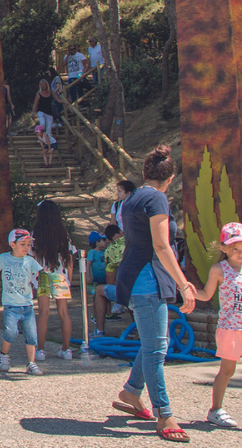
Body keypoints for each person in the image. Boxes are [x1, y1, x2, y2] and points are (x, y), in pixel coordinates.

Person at [110, 145, 196, 442]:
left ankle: (131, 392)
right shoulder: (157, 198)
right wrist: (184, 284)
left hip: (135, 277)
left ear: (145, 172)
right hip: (147, 280)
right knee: (158, 348)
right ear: (170, 179)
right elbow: (161, 246)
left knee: (153, 345)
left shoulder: (132, 198)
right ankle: (165, 415)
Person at [0, 228, 45, 375]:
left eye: (28, 244)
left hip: (27, 305)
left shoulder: (30, 260)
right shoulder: (4, 258)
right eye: (23, 244)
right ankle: (4, 353)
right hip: (11, 305)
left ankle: (31, 363)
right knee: (11, 331)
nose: (26, 248)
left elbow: (42, 275)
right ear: (12, 244)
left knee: (32, 335)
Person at [196, 222, 242, 428]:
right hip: (229, 329)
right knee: (227, 370)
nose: (239, 252)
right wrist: (187, 291)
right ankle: (215, 410)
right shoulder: (218, 269)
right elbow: (206, 294)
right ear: (223, 248)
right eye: (234, 248)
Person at [32, 200, 75, 360]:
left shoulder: (35, 234)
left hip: (42, 275)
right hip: (60, 276)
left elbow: (32, 257)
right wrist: (69, 279)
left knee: (43, 312)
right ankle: (66, 349)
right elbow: (69, 259)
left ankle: (41, 350)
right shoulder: (64, 235)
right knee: (64, 312)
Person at [87, 230, 110, 337]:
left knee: (106, 297)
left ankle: (108, 313)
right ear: (97, 242)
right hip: (96, 279)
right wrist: (88, 275)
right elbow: (88, 264)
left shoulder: (106, 252)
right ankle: (95, 315)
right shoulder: (92, 253)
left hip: (105, 278)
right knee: (96, 297)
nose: (106, 242)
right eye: (103, 240)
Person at [31, 79, 58, 160]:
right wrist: (33, 112)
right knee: (42, 124)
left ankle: (48, 142)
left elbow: (57, 99)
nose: (43, 86)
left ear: (47, 85)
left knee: (49, 128)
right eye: (42, 85)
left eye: (44, 85)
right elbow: (35, 104)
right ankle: (40, 138)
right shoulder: (38, 94)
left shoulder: (50, 92)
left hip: (49, 113)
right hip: (41, 111)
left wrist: (64, 102)